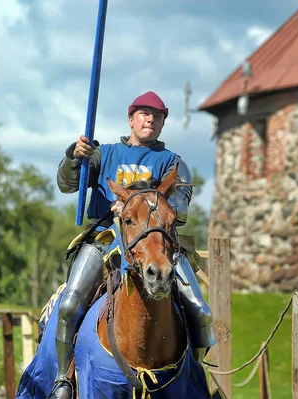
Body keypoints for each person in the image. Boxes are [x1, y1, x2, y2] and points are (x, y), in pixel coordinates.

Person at [50, 91, 216, 399]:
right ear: (131, 119)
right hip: (105, 239)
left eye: (157, 116)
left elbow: (179, 207)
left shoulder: (172, 163)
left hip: (157, 243)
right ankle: (63, 379)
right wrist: (75, 157)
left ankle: (194, 378)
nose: (150, 119)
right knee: (70, 302)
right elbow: (66, 184)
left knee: (200, 310)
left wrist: (137, 206)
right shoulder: (104, 154)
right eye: (143, 113)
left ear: (163, 123)